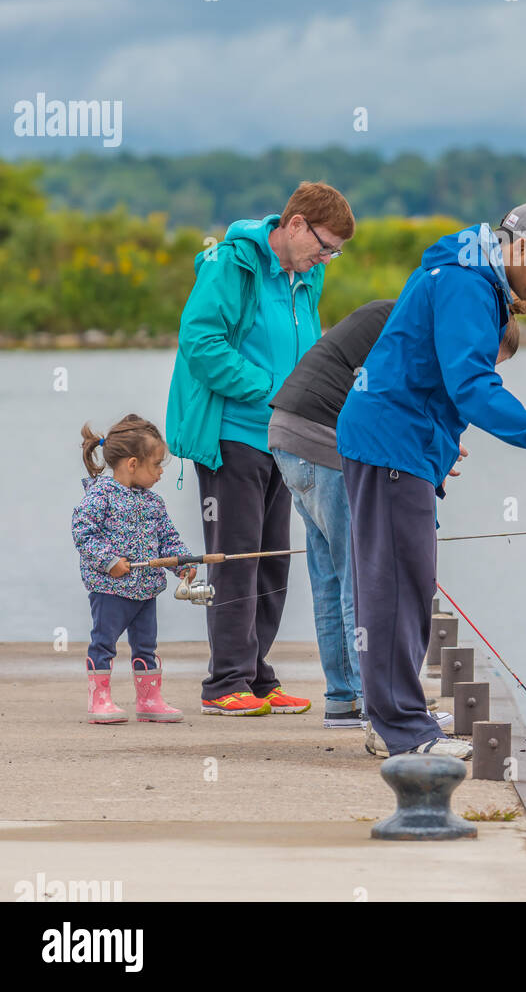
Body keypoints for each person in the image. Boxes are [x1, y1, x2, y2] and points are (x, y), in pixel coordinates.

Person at [337, 201, 526, 761]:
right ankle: (399, 729)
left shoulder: (471, 273)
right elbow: (472, 386)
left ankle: (398, 713)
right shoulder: (466, 283)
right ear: (522, 249)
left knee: (413, 581)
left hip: (403, 444)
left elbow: (437, 380)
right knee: (395, 586)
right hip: (389, 443)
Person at [267, 299, 523, 731]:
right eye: (488, 360)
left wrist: (436, 447)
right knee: (365, 579)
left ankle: (343, 701)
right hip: (328, 443)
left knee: (332, 576)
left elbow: (400, 405)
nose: (484, 370)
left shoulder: (414, 317)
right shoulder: (434, 330)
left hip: (288, 435)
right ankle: (379, 708)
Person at [165, 181, 354, 717]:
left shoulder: (307, 274)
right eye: (323, 245)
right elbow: (201, 344)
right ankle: (223, 681)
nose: (327, 257)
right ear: (294, 225)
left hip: (284, 437)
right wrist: (275, 388)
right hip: (231, 434)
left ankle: (256, 674)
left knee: (272, 560)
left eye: (334, 251)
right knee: (236, 558)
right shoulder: (231, 264)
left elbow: (312, 345)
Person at [72, 414, 196, 723]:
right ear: (132, 464)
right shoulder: (100, 495)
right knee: (104, 642)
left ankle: (149, 700)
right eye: (155, 465)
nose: (159, 474)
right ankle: (99, 700)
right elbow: (83, 533)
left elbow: (168, 538)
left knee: (147, 646)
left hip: (146, 591)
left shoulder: (154, 502)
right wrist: (110, 563)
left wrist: (182, 563)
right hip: (109, 590)